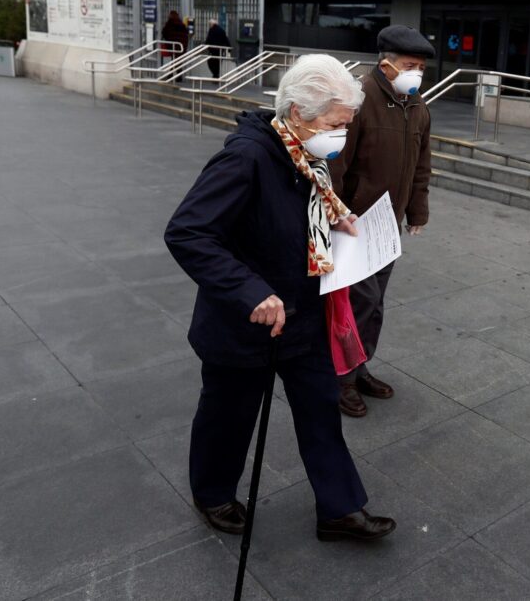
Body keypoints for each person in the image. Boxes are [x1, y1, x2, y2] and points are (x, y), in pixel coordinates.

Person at [164, 54, 396, 542]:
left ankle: (339, 508)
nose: (341, 136)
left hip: (304, 314)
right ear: (297, 113)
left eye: (346, 126)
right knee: (228, 416)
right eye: (336, 125)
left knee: (319, 410)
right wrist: (251, 290)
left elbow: (301, 207)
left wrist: (335, 219)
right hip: (245, 323)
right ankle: (212, 494)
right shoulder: (246, 158)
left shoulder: (306, 155)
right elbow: (188, 232)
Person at [329, 25, 435, 418]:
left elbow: (421, 165)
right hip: (354, 222)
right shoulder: (359, 100)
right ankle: (339, 379)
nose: (417, 74)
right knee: (357, 303)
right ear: (386, 63)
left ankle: (358, 369)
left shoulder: (418, 106)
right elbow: (335, 163)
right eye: (411, 65)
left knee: (374, 306)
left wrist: (416, 212)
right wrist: (338, 213)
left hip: (386, 227)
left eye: (422, 67)